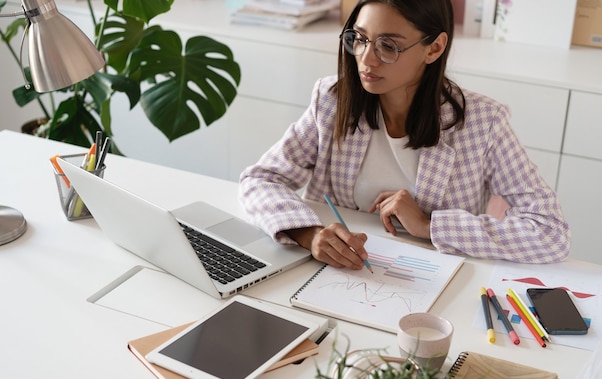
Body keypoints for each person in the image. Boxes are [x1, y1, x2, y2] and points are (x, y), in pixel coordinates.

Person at [238, 0, 570, 266]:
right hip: (334, 272)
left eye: (388, 46)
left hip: (433, 280)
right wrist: (307, 233)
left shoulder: (483, 123)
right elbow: (260, 179)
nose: (366, 59)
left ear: (434, 48)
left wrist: (430, 225)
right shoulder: (332, 101)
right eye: (360, 39)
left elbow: (550, 232)